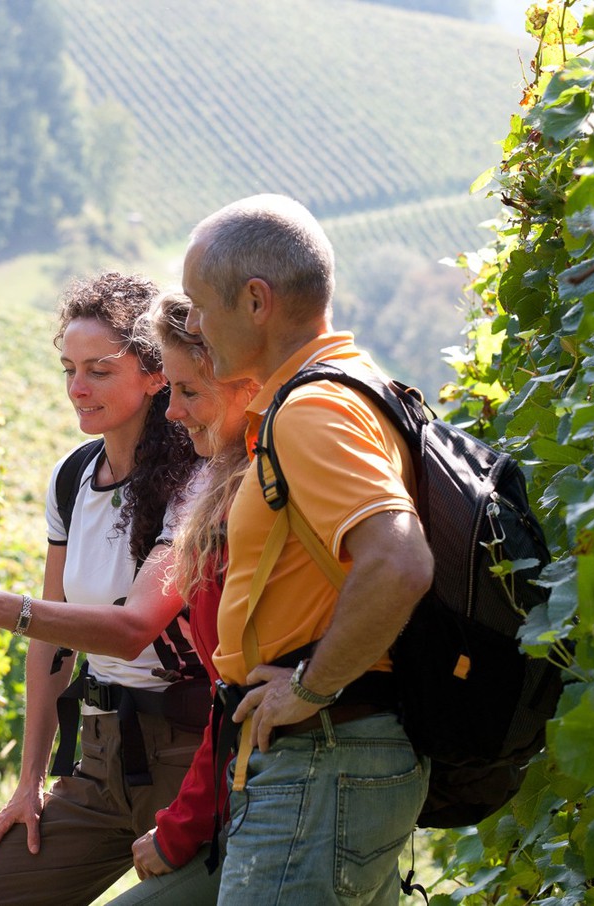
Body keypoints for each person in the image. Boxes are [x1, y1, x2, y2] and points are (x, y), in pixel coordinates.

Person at [0, 273, 204, 906]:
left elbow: (134, 630)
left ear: (156, 375)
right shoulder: (74, 477)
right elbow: (52, 642)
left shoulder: (197, 481)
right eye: (69, 369)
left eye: (99, 371)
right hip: (100, 760)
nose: (77, 388)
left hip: (190, 759)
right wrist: (29, 784)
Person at [181, 194, 434, 904]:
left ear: (256, 301)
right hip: (334, 757)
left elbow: (400, 558)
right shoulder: (351, 387)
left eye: (199, 304)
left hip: (324, 755)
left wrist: (311, 688)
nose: (193, 324)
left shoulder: (312, 409)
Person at [101, 292, 258, 905]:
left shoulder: (258, 496)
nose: (171, 411)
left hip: (279, 794)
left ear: (244, 384)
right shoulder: (230, 483)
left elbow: (240, 699)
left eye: (188, 391)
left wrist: (178, 831)